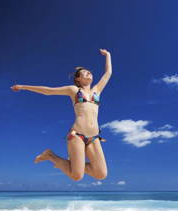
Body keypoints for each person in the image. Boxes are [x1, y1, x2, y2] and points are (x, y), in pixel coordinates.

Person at [10, 49, 112, 181]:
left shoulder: (97, 90)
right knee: (77, 176)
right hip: (77, 135)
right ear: (78, 79)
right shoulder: (74, 90)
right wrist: (23, 86)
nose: (89, 73)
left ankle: (71, 164)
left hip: (94, 137)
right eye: (84, 73)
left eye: (90, 72)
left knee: (101, 174)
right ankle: (50, 156)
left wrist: (108, 55)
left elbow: (108, 73)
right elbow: (48, 91)